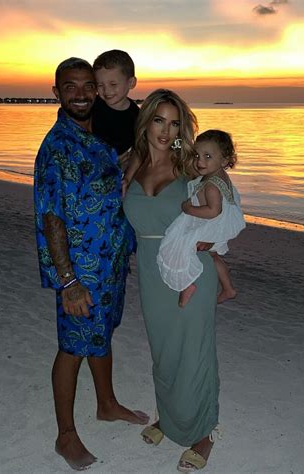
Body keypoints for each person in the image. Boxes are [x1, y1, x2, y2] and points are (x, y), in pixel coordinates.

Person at [33, 57, 148, 472]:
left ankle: (107, 404)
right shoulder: (58, 146)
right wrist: (68, 283)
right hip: (81, 271)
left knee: (101, 334)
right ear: (57, 92)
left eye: (88, 86)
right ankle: (65, 436)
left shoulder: (96, 135)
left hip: (110, 262)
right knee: (72, 348)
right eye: (71, 87)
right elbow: (51, 218)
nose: (81, 94)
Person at [123, 89, 221, 472]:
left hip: (191, 270)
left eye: (175, 122)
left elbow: (225, 204)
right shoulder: (133, 163)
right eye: (159, 120)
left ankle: (203, 432)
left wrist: (214, 237)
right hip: (150, 270)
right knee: (164, 352)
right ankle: (170, 417)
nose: (166, 130)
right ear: (146, 121)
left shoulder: (190, 166)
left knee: (194, 350)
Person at [157, 129, 246, 308]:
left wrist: (189, 209)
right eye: (197, 155)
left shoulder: (212, 185)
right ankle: (228, 288)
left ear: (225, 160)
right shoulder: (219, 174)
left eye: (207, 156)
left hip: (212, 222)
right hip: (220, 223)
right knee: (213, 257)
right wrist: (178, 143)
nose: (200, 161)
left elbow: (213, 211)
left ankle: (187, 284)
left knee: (173, 246)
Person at [92, 49, 139, 157]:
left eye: (113, 84)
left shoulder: (137, 116)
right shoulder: (92, 108)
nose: (106, 91)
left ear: (131, 83)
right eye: (100, 85)